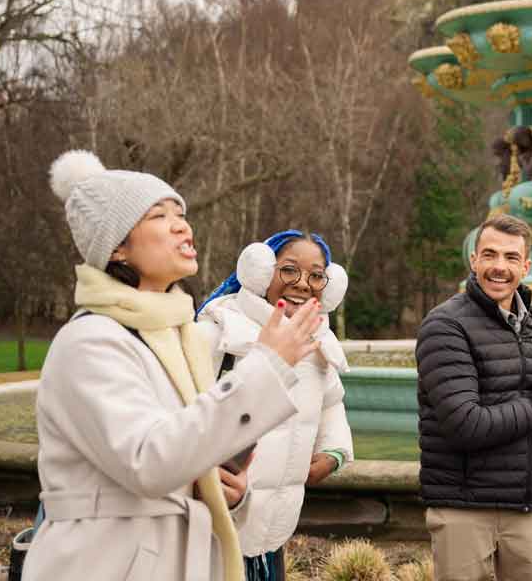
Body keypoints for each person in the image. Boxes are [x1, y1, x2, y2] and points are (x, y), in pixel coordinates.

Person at [26, 151, 321, 581]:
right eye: (159, 216)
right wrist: (268, 365)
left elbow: (189, 447)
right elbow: (150, 462)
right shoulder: (90, 341)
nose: (182, 225)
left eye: (180, 213)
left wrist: (226, 490)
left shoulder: (176, 337)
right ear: (118, 248)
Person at [416, 213, 532, 581]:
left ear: (525, 266)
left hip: (530, 508)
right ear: (473, 260)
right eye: (490, 255)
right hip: (464, 508)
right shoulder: (444, 325)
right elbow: (466, 424)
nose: (500, 267)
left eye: (511, 258)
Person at [196, 230, 354, 581]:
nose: (303, 284)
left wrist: (335, 452)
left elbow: (332, 404)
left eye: (316, 276)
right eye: (289, 271)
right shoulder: (220, 330)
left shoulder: (319, 341)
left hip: (273, 532)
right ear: (260, 272)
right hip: (215, 523)